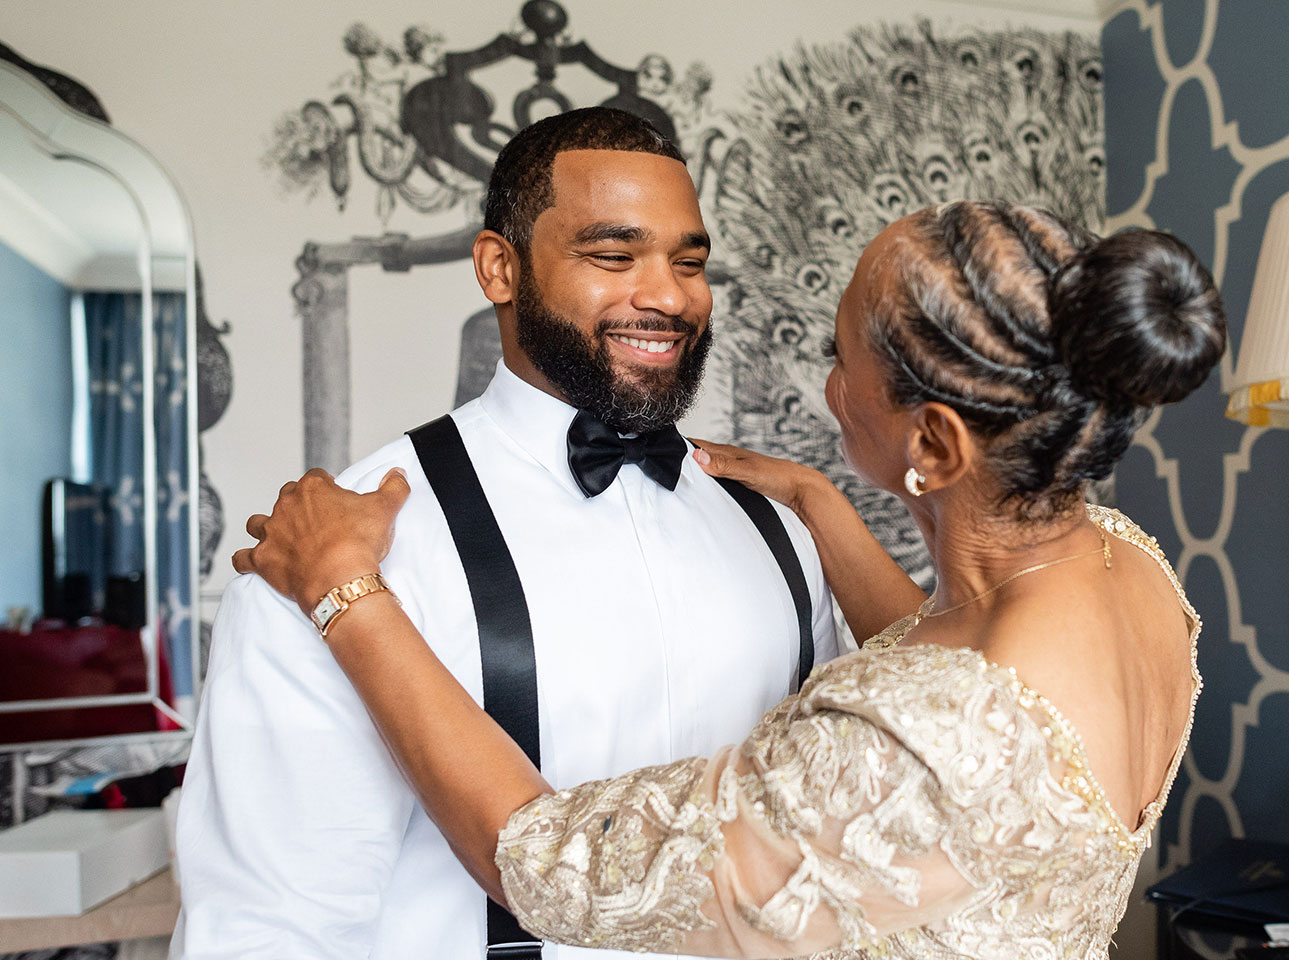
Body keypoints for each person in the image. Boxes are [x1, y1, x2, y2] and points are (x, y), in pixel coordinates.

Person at [236, 199, 1226, 960]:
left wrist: (344, 588)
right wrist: (819, 504)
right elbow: (965, 672)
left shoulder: (915, 745)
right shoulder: (1119, 564)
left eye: (840, 363)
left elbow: (537, 859)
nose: (825, 390)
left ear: (933, 438)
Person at [171, 108, 840, 960]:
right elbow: (271, 922)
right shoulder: (332, 549)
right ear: (499, 268)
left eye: (689, 262)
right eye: (613, 255)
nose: (669, 296)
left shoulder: (778, 535)